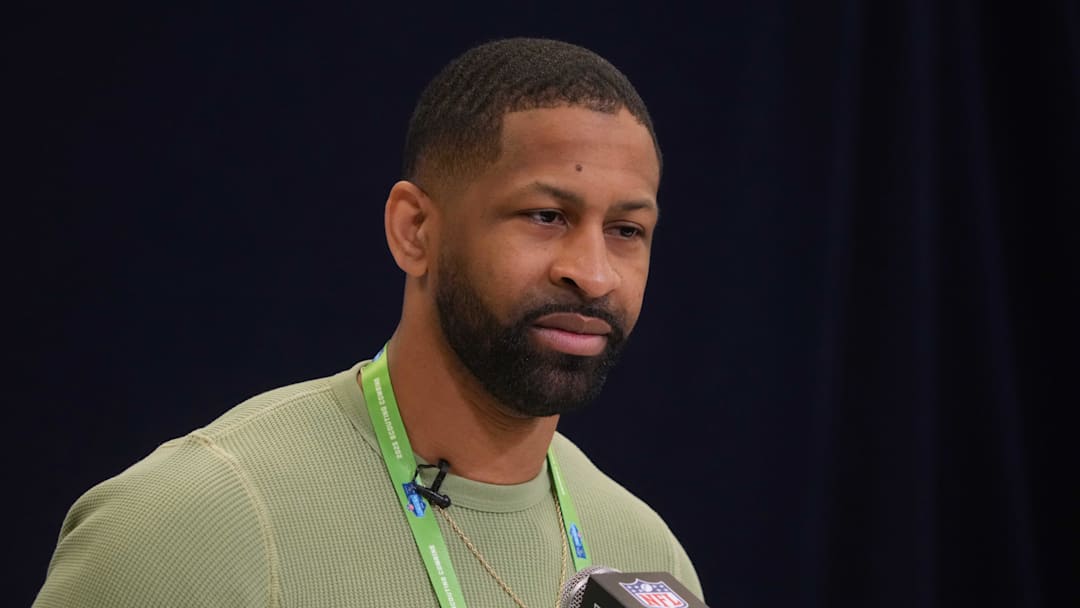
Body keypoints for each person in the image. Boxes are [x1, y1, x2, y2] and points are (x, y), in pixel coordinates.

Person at [33, 37, 704, 607]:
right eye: (545, 216)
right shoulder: (193, 523)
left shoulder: (647, 557)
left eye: (626, 229)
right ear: (415, 230)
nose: (593, 273)